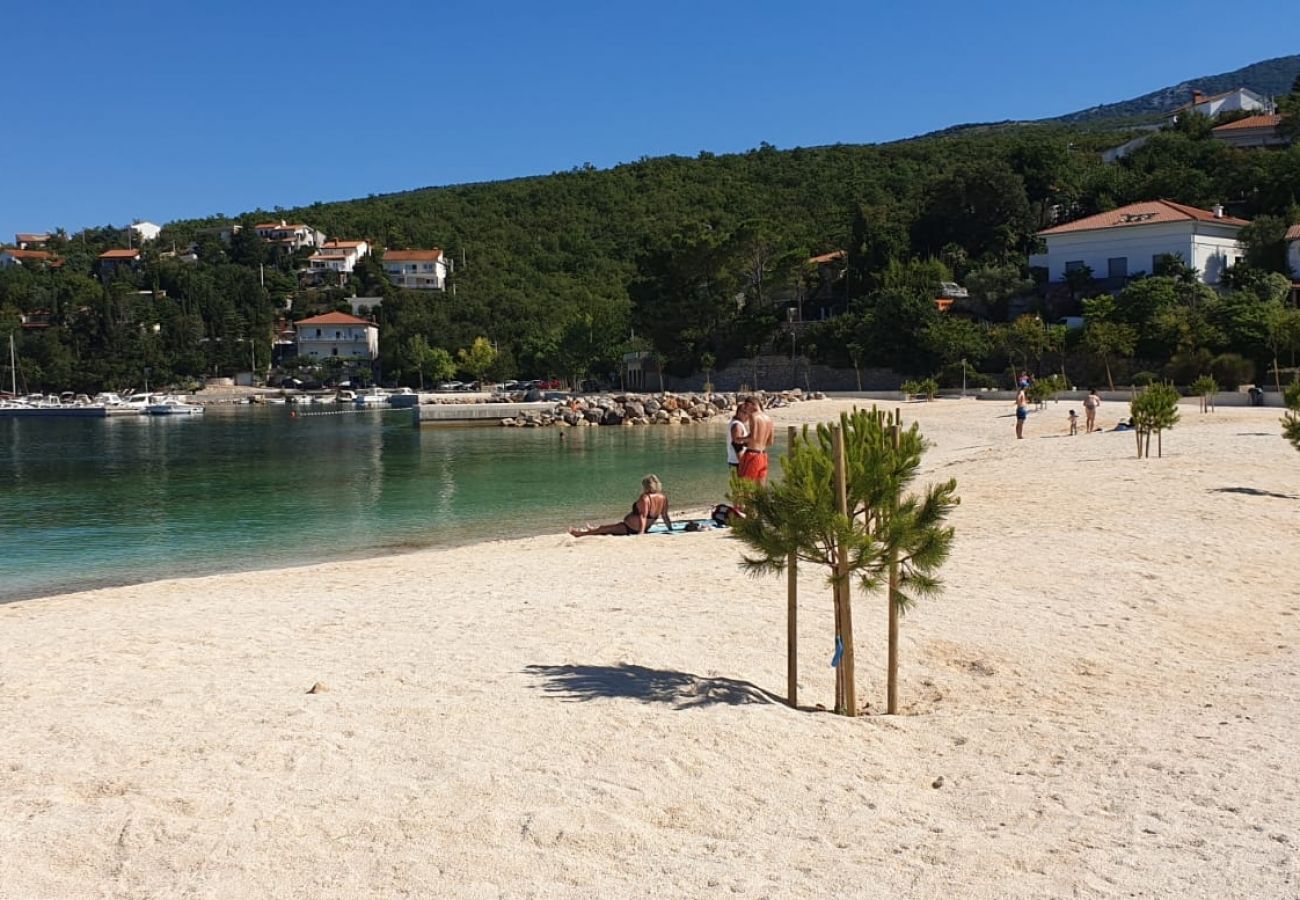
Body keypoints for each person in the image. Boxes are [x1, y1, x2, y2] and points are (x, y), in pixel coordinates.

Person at [569, 474, 673, 537]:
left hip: (630, 528)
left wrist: (640, 534)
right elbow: (665, 516)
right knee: (605, 528)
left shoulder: (645, 498)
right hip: (640, 527)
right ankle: (591, 529)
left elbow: (643, 516)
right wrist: (670, 529)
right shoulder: (663, 497)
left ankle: (579, 534)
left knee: (603, 529)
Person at [737, 396, 774, 483]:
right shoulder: (769, 419)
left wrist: (740, 439)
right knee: (761, 489)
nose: (746, 411)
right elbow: (770, 442)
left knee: (744, 486)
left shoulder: (753, 416)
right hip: (763, 455)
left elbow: (752, 438)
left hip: (753, 455)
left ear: (751, 405)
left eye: (746, 407)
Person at [727, 401, 750, 472]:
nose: (748, 417)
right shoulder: (737, 426)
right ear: (740, 413)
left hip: (737, 462)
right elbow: (736, 444)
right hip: (738, 463)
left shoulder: (734, 422)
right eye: (747, 414)